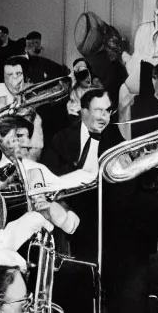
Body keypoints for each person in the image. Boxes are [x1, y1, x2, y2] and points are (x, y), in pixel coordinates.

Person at [40, 88, 124, 260]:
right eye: (98, 110)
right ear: (84, 111)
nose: (104, 117)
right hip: (70, 205)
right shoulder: (62, 137)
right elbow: (49, 176)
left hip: (104, 207)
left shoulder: (114, 136)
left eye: (107, 111)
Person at [0, 57, 46, 160]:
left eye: (18, 74)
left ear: (26, 76)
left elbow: (39, 147)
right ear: (3, 78)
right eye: (9, 75)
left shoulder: (38, 105)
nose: (14, 80)